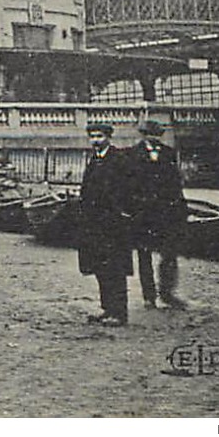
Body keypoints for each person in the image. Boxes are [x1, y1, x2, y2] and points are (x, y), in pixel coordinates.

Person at [77, 121, 134, 327]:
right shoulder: (94, 159)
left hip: (113, 225)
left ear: (109, 137)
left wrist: (122, 212)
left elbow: (128, 189)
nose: (95, 140)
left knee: (115, 268)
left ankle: (119, 313)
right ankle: (107, 309)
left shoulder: (119, 159)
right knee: (101, 268)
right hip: (95, 225)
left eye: (99, 136)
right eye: (92, 136)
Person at [127, 118, 188, 309]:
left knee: (169, 253)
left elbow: (176, 183)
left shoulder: (169, 154)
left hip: (166, 213)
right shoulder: (132, 154)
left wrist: (180, 208)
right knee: (144, 255)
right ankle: (149, 296)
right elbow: (127, 185)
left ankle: (167, 293)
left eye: (157, 136)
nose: (154, 139)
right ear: (143, 135)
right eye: (150, 135)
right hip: (142, 214)